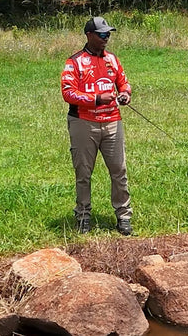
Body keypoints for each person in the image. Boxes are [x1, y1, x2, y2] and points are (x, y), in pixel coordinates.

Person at [61, 16, 133, 235]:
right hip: (84, 123)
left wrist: (125, 94)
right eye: (102, 34)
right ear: (89, 35)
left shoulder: (112, 60)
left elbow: (124, 83)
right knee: (83, 172)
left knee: (119, 171)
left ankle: (124, 216)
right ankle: (83, 216)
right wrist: (96, 99)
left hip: (112, 122)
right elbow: (68, 93)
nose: (106, 38)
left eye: (108, 34)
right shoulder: (74, 62)